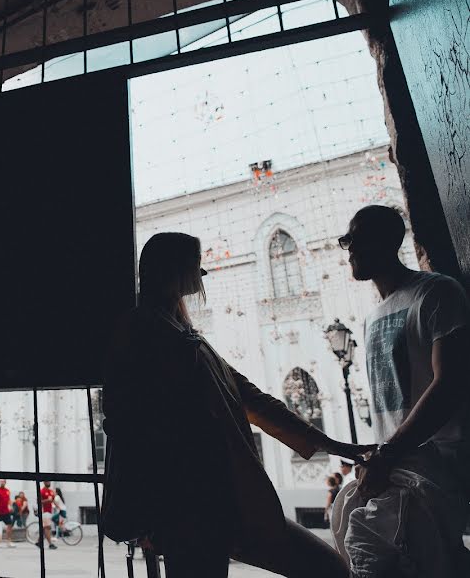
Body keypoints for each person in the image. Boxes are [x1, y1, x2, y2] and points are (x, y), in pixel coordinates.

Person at [101, 232, 371, 578]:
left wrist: (331, 444)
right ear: (175, 270)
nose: (201, 278)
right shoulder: (144, 330)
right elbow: (127, 417)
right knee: (325, 567)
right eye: (196, 267)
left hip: (218, 493)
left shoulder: (182, 334)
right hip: (189, 499)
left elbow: (250, 398)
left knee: (327, 566)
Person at [330, 205, 470, 577]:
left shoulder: (436, 293)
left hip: (438, 467)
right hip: (393, 467)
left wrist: (390, 452)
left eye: (356, 239)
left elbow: (450, 383)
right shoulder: (372, 318)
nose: (351, 250)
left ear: (390, 241)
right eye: (347, 242)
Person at [0, 479, 16, 547]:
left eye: (3, 481)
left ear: (5, 482)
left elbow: (8, 500)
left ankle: (9, 541)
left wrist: (11, 507)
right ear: (0, 482)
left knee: (9, 525)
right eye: (1, 481)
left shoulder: (7, 491)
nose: (2, 482)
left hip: (6, 511)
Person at [38, 481, 57, 549]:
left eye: (49, 481)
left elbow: (52, 500)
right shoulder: (42, 491)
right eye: (47, 482)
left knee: (45, 528)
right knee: (48, 527)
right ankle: (50, 544)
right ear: (44, 482)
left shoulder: (51, 491)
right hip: (44, 511)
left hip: (50, 511)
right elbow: (39, 501)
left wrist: (54, 497)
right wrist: (47, 500)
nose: (49, 483)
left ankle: (39, 541)